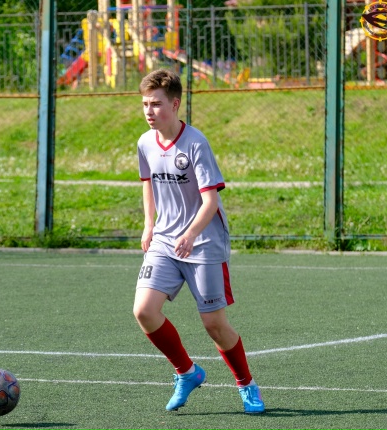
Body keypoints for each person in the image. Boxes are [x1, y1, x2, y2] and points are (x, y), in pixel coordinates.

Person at [133, 69, 265, 414]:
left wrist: (190, 234)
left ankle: (246, 385)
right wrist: (149, 224)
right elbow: (148, 182)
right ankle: (187, 372)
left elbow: (210, 202)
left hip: (204, 242)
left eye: (156, 104)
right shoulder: (145, 142)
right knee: (144, 311)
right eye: (145, 104)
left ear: (175, 104)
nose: (149, 111)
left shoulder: (195, 143)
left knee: (214, 325)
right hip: (165, 240)